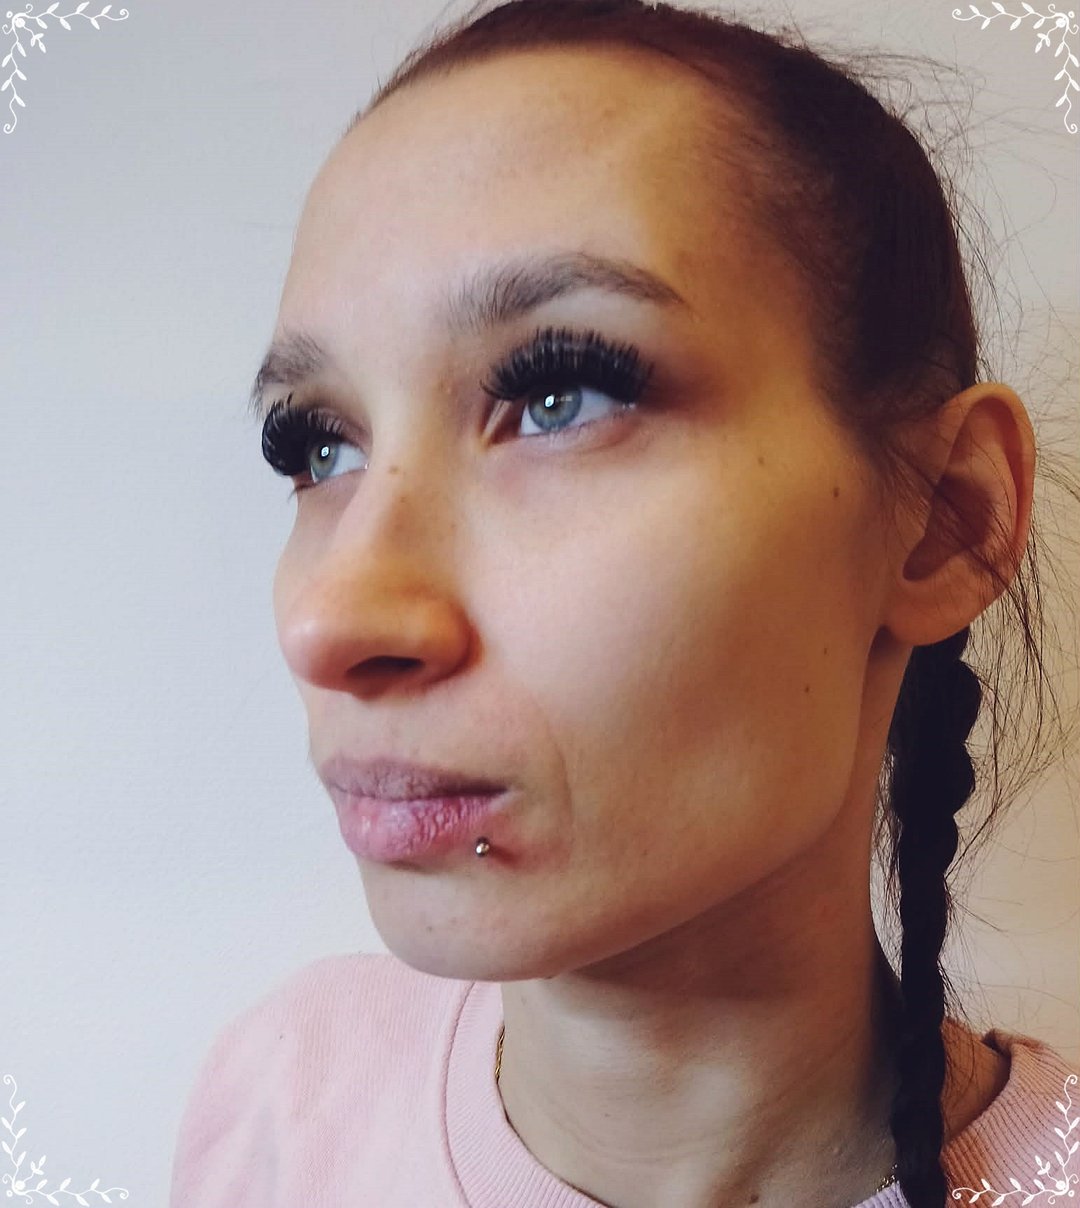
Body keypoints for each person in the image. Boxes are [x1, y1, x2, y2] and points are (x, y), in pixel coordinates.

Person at [169, 2, 1080, 1206]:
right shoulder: (282, 1102)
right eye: (318, 445)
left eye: (560, 395)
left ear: (946, 515)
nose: (330, 621)